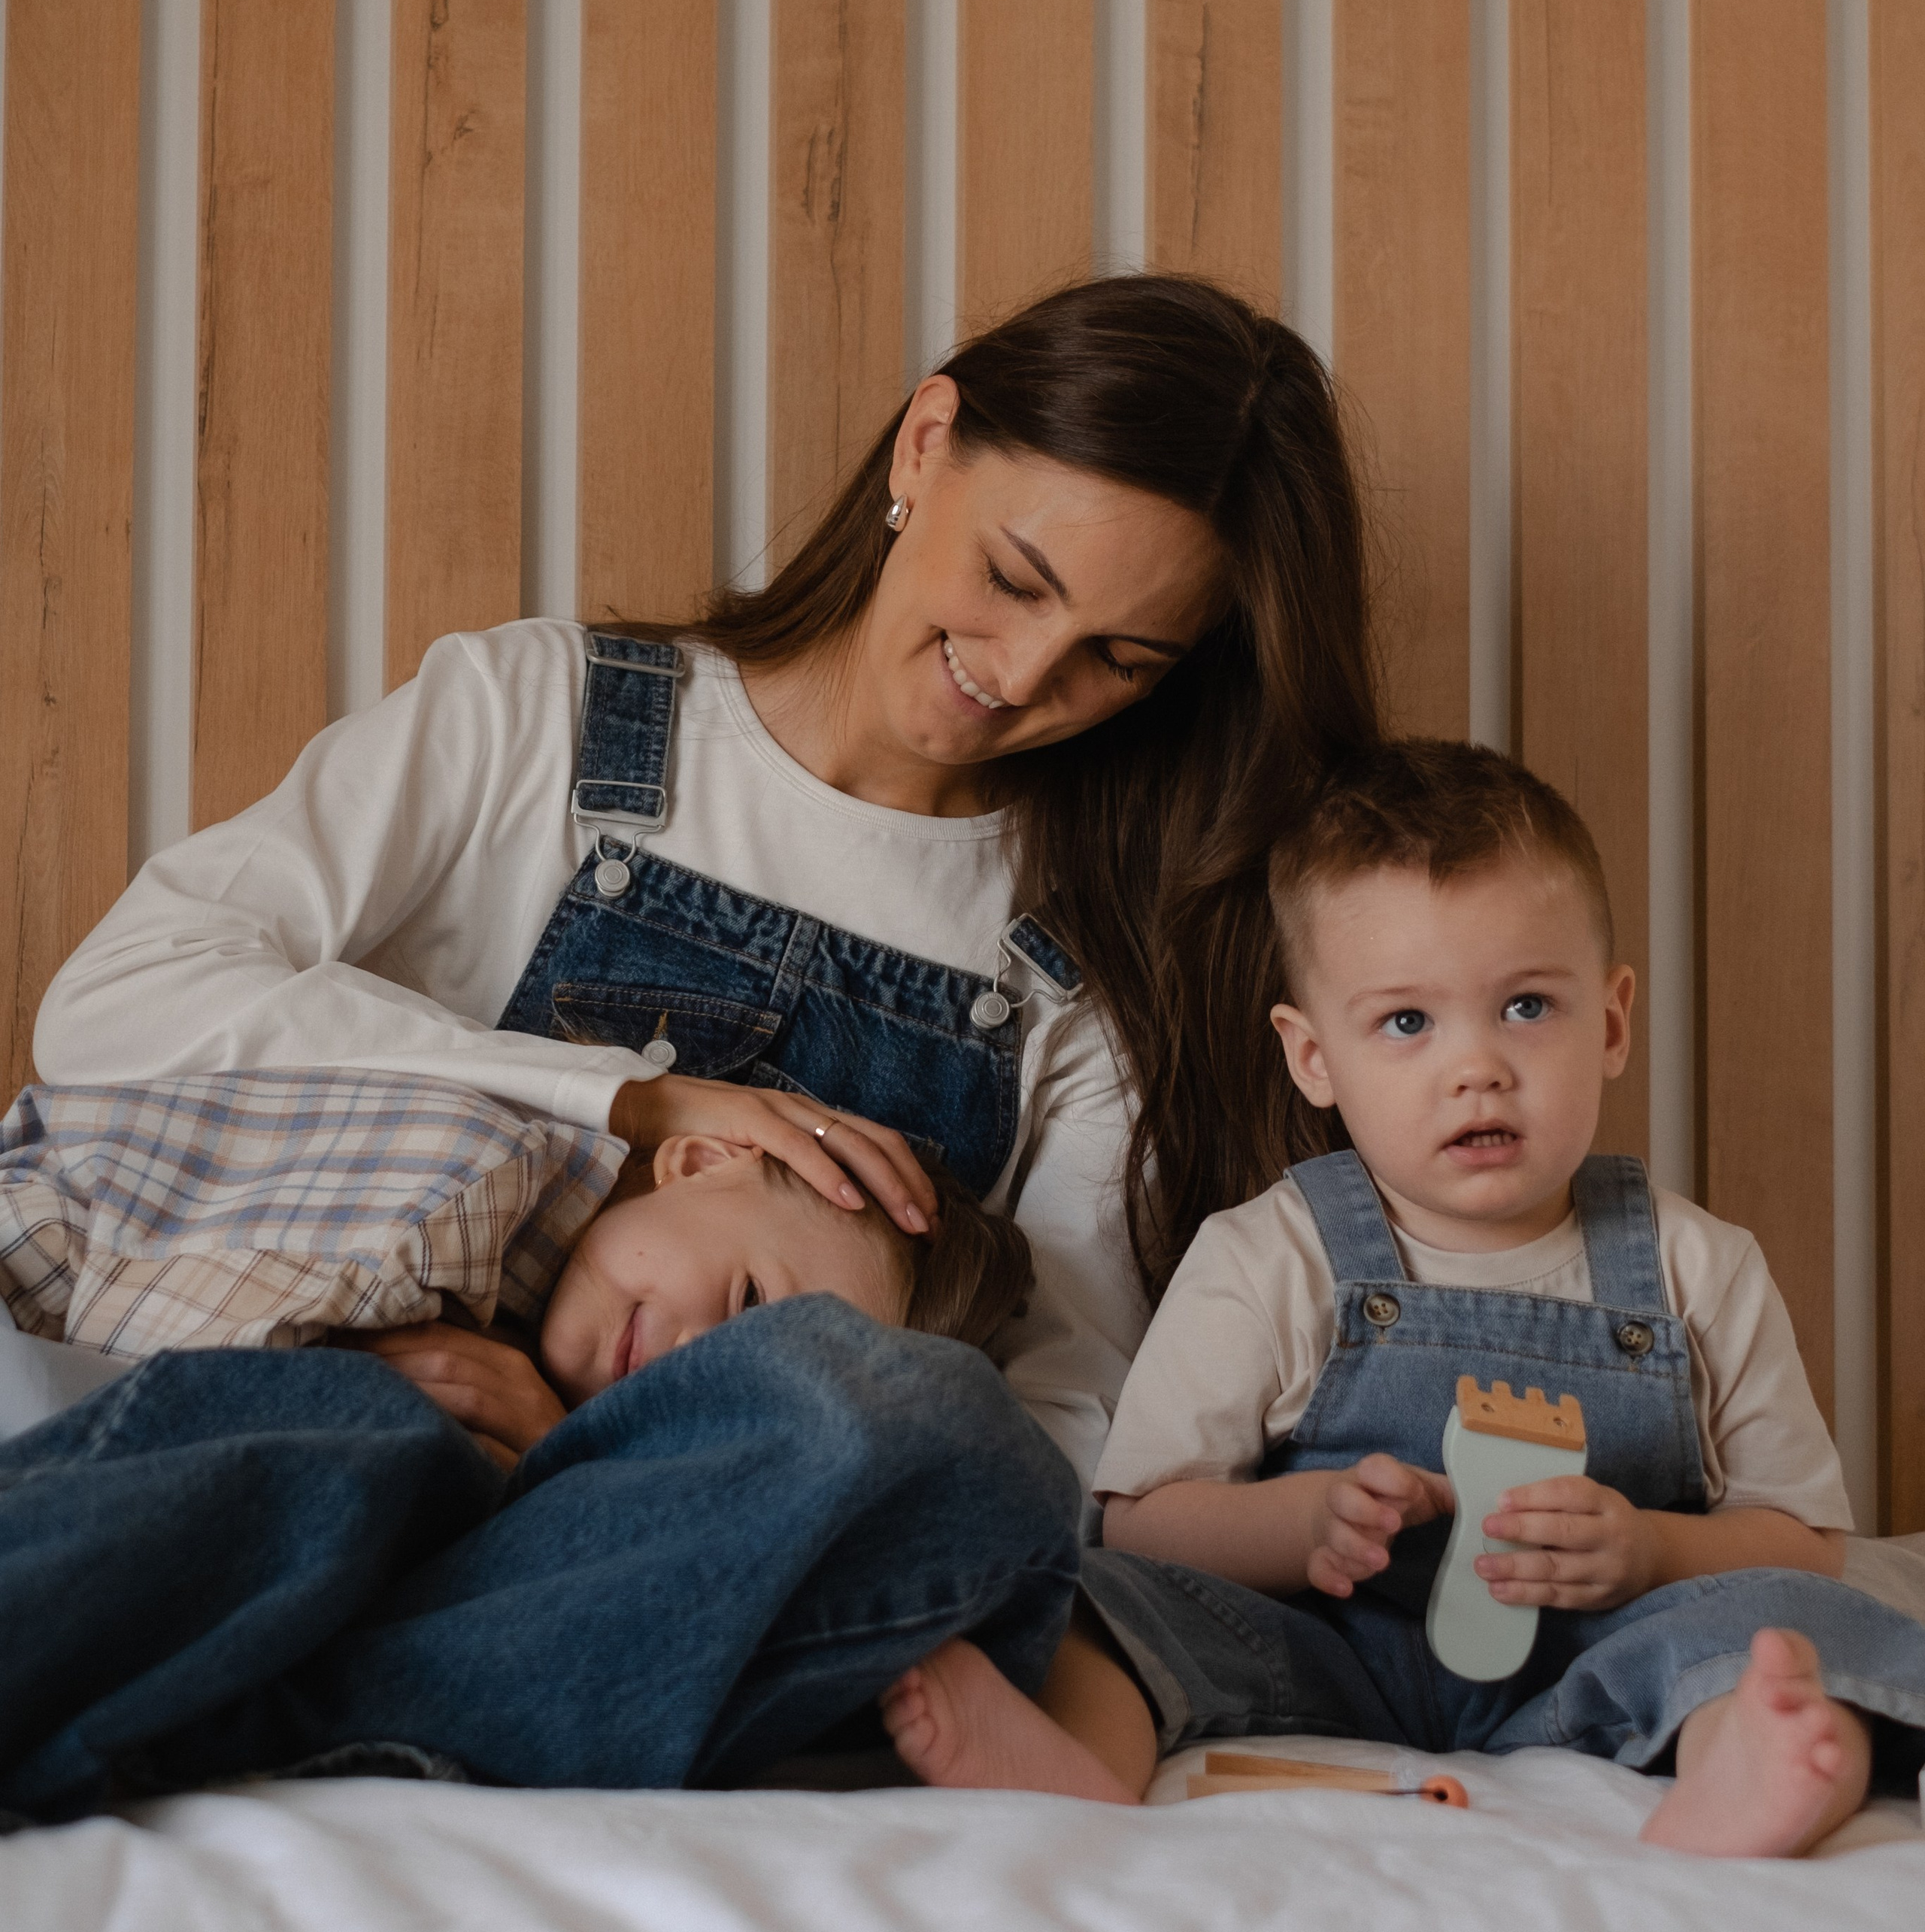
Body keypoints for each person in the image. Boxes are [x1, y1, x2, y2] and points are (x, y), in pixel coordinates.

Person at [10, 276, 1380, 1812]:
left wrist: (586, 1473)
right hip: (359, 1433)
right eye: (1013, 577)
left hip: (650, 1558)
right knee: (333, 1434)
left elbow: (1040, 1450)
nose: (1022, 673)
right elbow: (113, 1006)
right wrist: (632, 1100)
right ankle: (356, 1698)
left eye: (1118, 661)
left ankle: (277, 1695)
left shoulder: (1096, 966)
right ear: (925, 442)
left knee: (934, 1432)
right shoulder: (540, 716)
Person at [880, 742, 1925, 1858]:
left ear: (1613, 1022)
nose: (1476, 1067)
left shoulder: (1698, 1266)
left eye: (1527, 1006)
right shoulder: (1270, 1256)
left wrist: (1652, 1552)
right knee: (1100, 1595)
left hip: (1598, 1657)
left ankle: (1745, 1771)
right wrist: (1303, 1526)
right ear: (1312, 1057)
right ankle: (1078, 1762)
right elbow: (1144, 1514)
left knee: (1804, 1628)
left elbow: (1804, 1540)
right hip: (1321, 1649)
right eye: (1408, 1024)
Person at [0, 1067, 1033, 1463]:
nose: (698, 1355)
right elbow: (193, 1407)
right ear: (702, 1158)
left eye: (749, 1376)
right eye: (747, 1297)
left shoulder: (520, 1342)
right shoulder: (473, 1184)